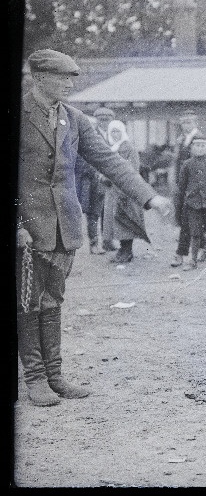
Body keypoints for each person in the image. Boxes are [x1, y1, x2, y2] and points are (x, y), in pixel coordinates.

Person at [17, 49, 172, 407]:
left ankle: (55, 376)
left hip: (65, 226)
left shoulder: (73, 119)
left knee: (52, 300)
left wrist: (150, 197)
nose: (70, 84)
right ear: (39, 77)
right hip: (28, 228)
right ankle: (35, 378)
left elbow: (110, 161)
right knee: (27, 301)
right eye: (62, 77)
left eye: (72, 78)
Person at [104, 120, 151, 263]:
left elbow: (133, 169)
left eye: (117, 131)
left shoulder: (129, 148)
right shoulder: (109, 148)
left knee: (126, 220)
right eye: (112, 132)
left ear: (123, 132)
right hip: (112, 190)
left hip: (126, 190)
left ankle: (127, 250)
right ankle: (122, 249)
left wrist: (123, 184)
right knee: (115, 222)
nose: (115, 134)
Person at [176, 135, 206, 271]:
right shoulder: (187, 164)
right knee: (195, 234)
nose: (200, 148)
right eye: (197, 145)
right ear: (192, 148)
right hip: (193, 204)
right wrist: (184, 200)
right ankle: (193, 261)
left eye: (203, 146)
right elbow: (181, 185)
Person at [171, 109, 204, 268]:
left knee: (187, 220)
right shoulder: (181, 140)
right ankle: (205, 249)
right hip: (182, 186)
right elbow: (176, 163)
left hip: (195, 187)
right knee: (190, 220)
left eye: (189, 122)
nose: (186, 125)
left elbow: (204, 164)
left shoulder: (200, 139)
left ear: (195, 123)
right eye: (183, 122)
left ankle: (180, 254)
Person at [92, 107, 119, 253]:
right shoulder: (91, 134)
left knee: (108, 211)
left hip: (109, 179)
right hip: (94, 178)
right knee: (93, 211)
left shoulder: (113, 135)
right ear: (97, 121)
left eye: (107, 120)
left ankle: (107, 240)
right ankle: (94, 242)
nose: (104, 123)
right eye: (101, 120)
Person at [74, 142, 106, 255]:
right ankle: (93, 245)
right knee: (91, 215)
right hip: (85, 186)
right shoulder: (78, 149)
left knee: (98, 214)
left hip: (98, 185)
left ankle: (103, 243)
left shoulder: (97, 148)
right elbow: (79, 166)